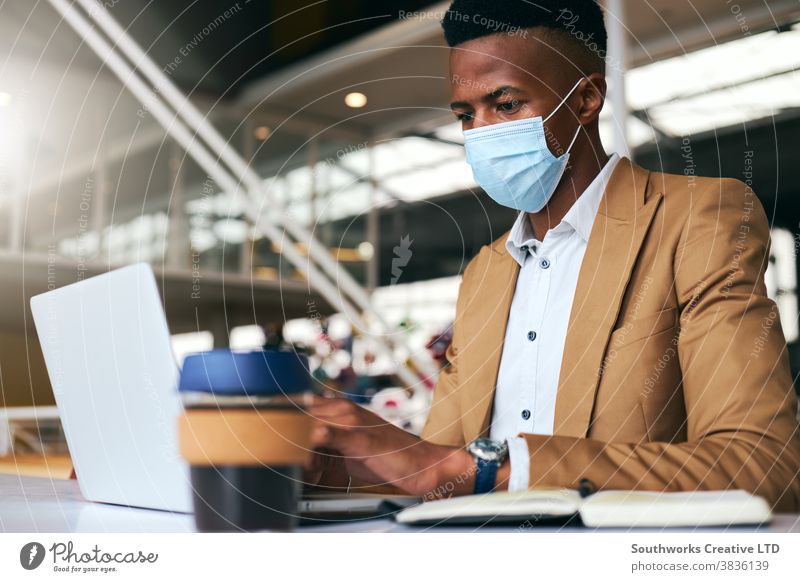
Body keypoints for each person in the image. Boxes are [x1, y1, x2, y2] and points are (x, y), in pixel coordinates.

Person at [305, 0, 800, 511]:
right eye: (464, 115)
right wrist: (332, 466)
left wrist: (484, 468)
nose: (481, 133)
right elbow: (438, 470)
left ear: (586, 98)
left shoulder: (694, 221)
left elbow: (763, 466)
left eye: (507, 104)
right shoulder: (486, 272)